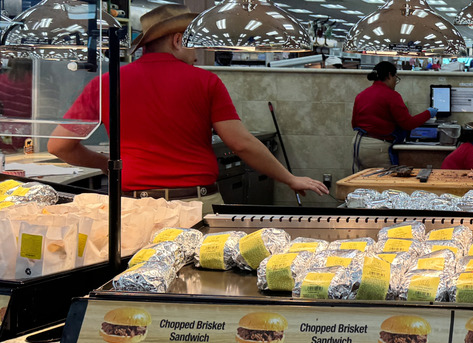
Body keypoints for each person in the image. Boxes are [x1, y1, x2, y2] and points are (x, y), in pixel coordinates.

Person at [46, 5, 327, 214]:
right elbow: (241, 143)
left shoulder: (106, 83)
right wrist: (290, 178)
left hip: (131, 209)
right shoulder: (206, 82)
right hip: (194, 206)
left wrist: (107, 164)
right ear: (178, 40)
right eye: (193, 43)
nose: (196, 53)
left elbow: (59, 146)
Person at [351, 61, 436, 171]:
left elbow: (354, 123)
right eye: (396, 77)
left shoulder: (362, 94)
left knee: (363, 182)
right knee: (383, 182)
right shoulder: (391, 95)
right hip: (377, 147)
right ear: (390, 75)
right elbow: (408, 124)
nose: (396, 81)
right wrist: (428, 113)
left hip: (358, 144)